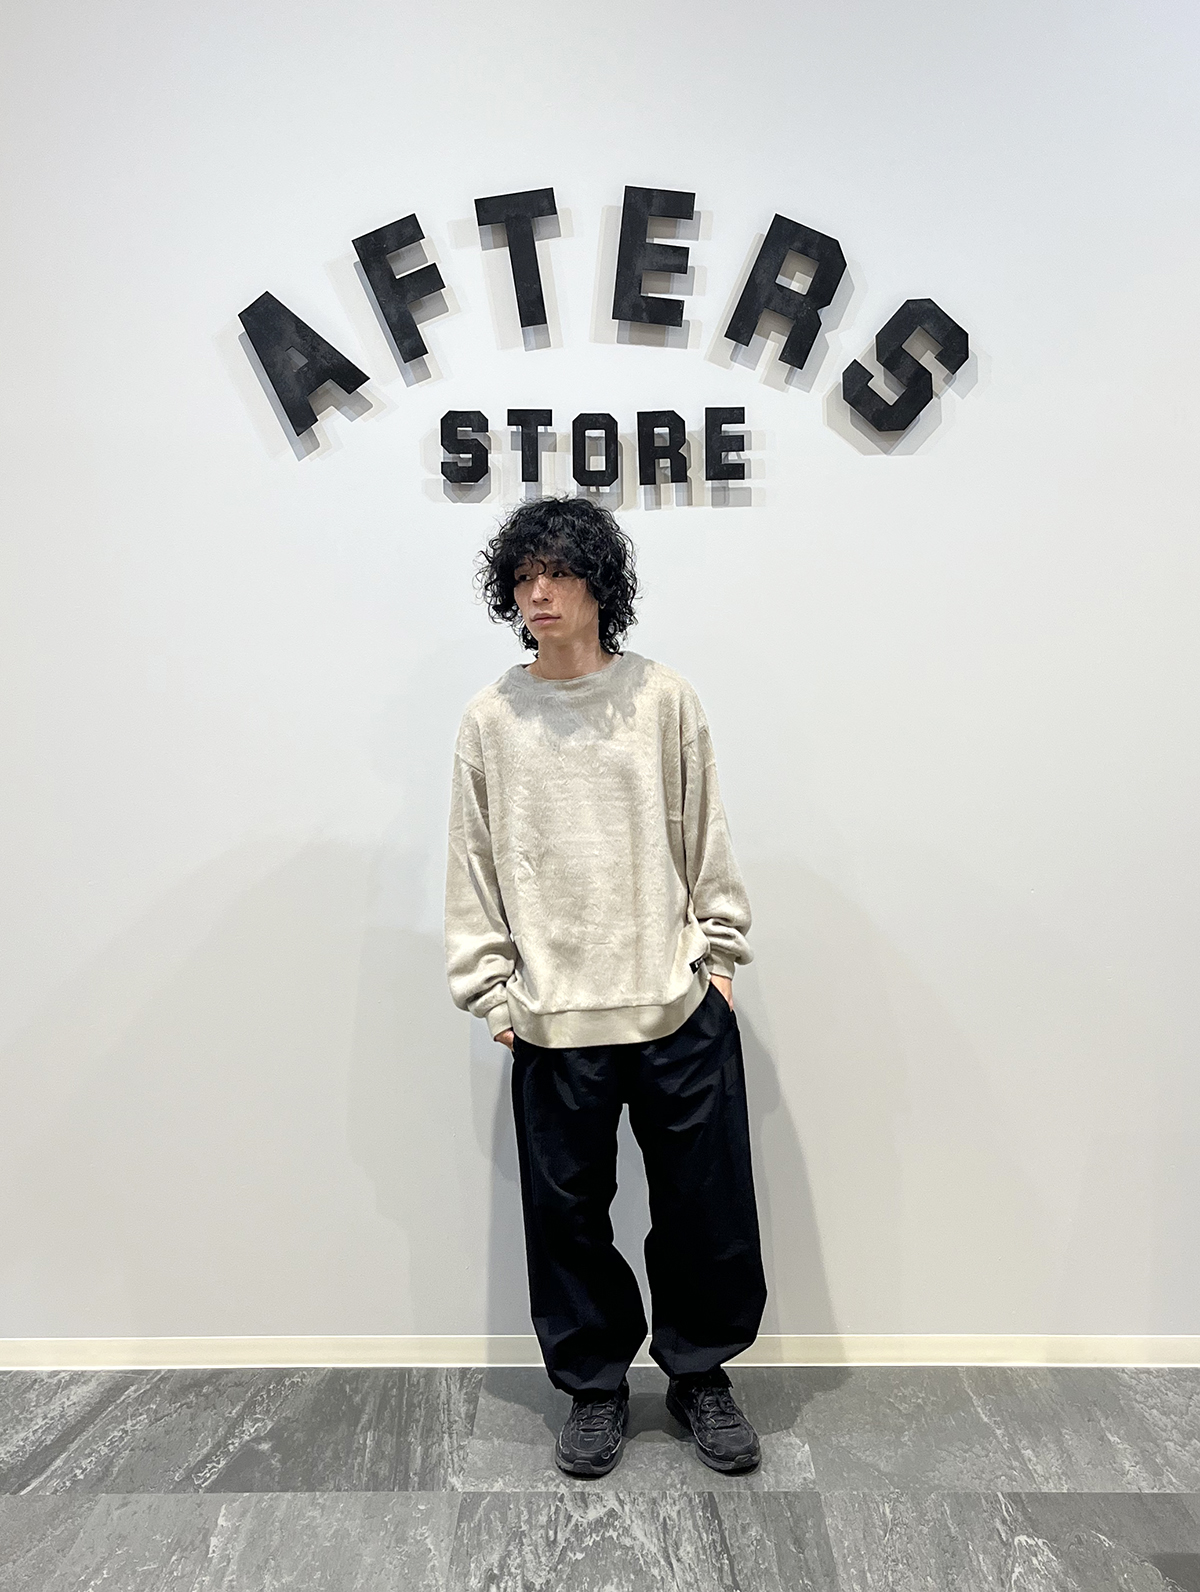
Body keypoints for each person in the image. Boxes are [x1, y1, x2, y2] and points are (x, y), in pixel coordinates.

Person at [445, 495, 767, 1477]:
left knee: (706, 1210)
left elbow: (705, 832)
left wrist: (718, 962)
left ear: (599, 583)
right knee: (568, 1222)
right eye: (521, 578)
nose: (537, 593)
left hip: (674, 1005)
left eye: (557, 573)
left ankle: (701, 1375)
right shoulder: (492, 718)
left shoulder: (663, 699)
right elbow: (473, 862)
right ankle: (594, 1388)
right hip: (552, 1018)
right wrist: (492, 992)